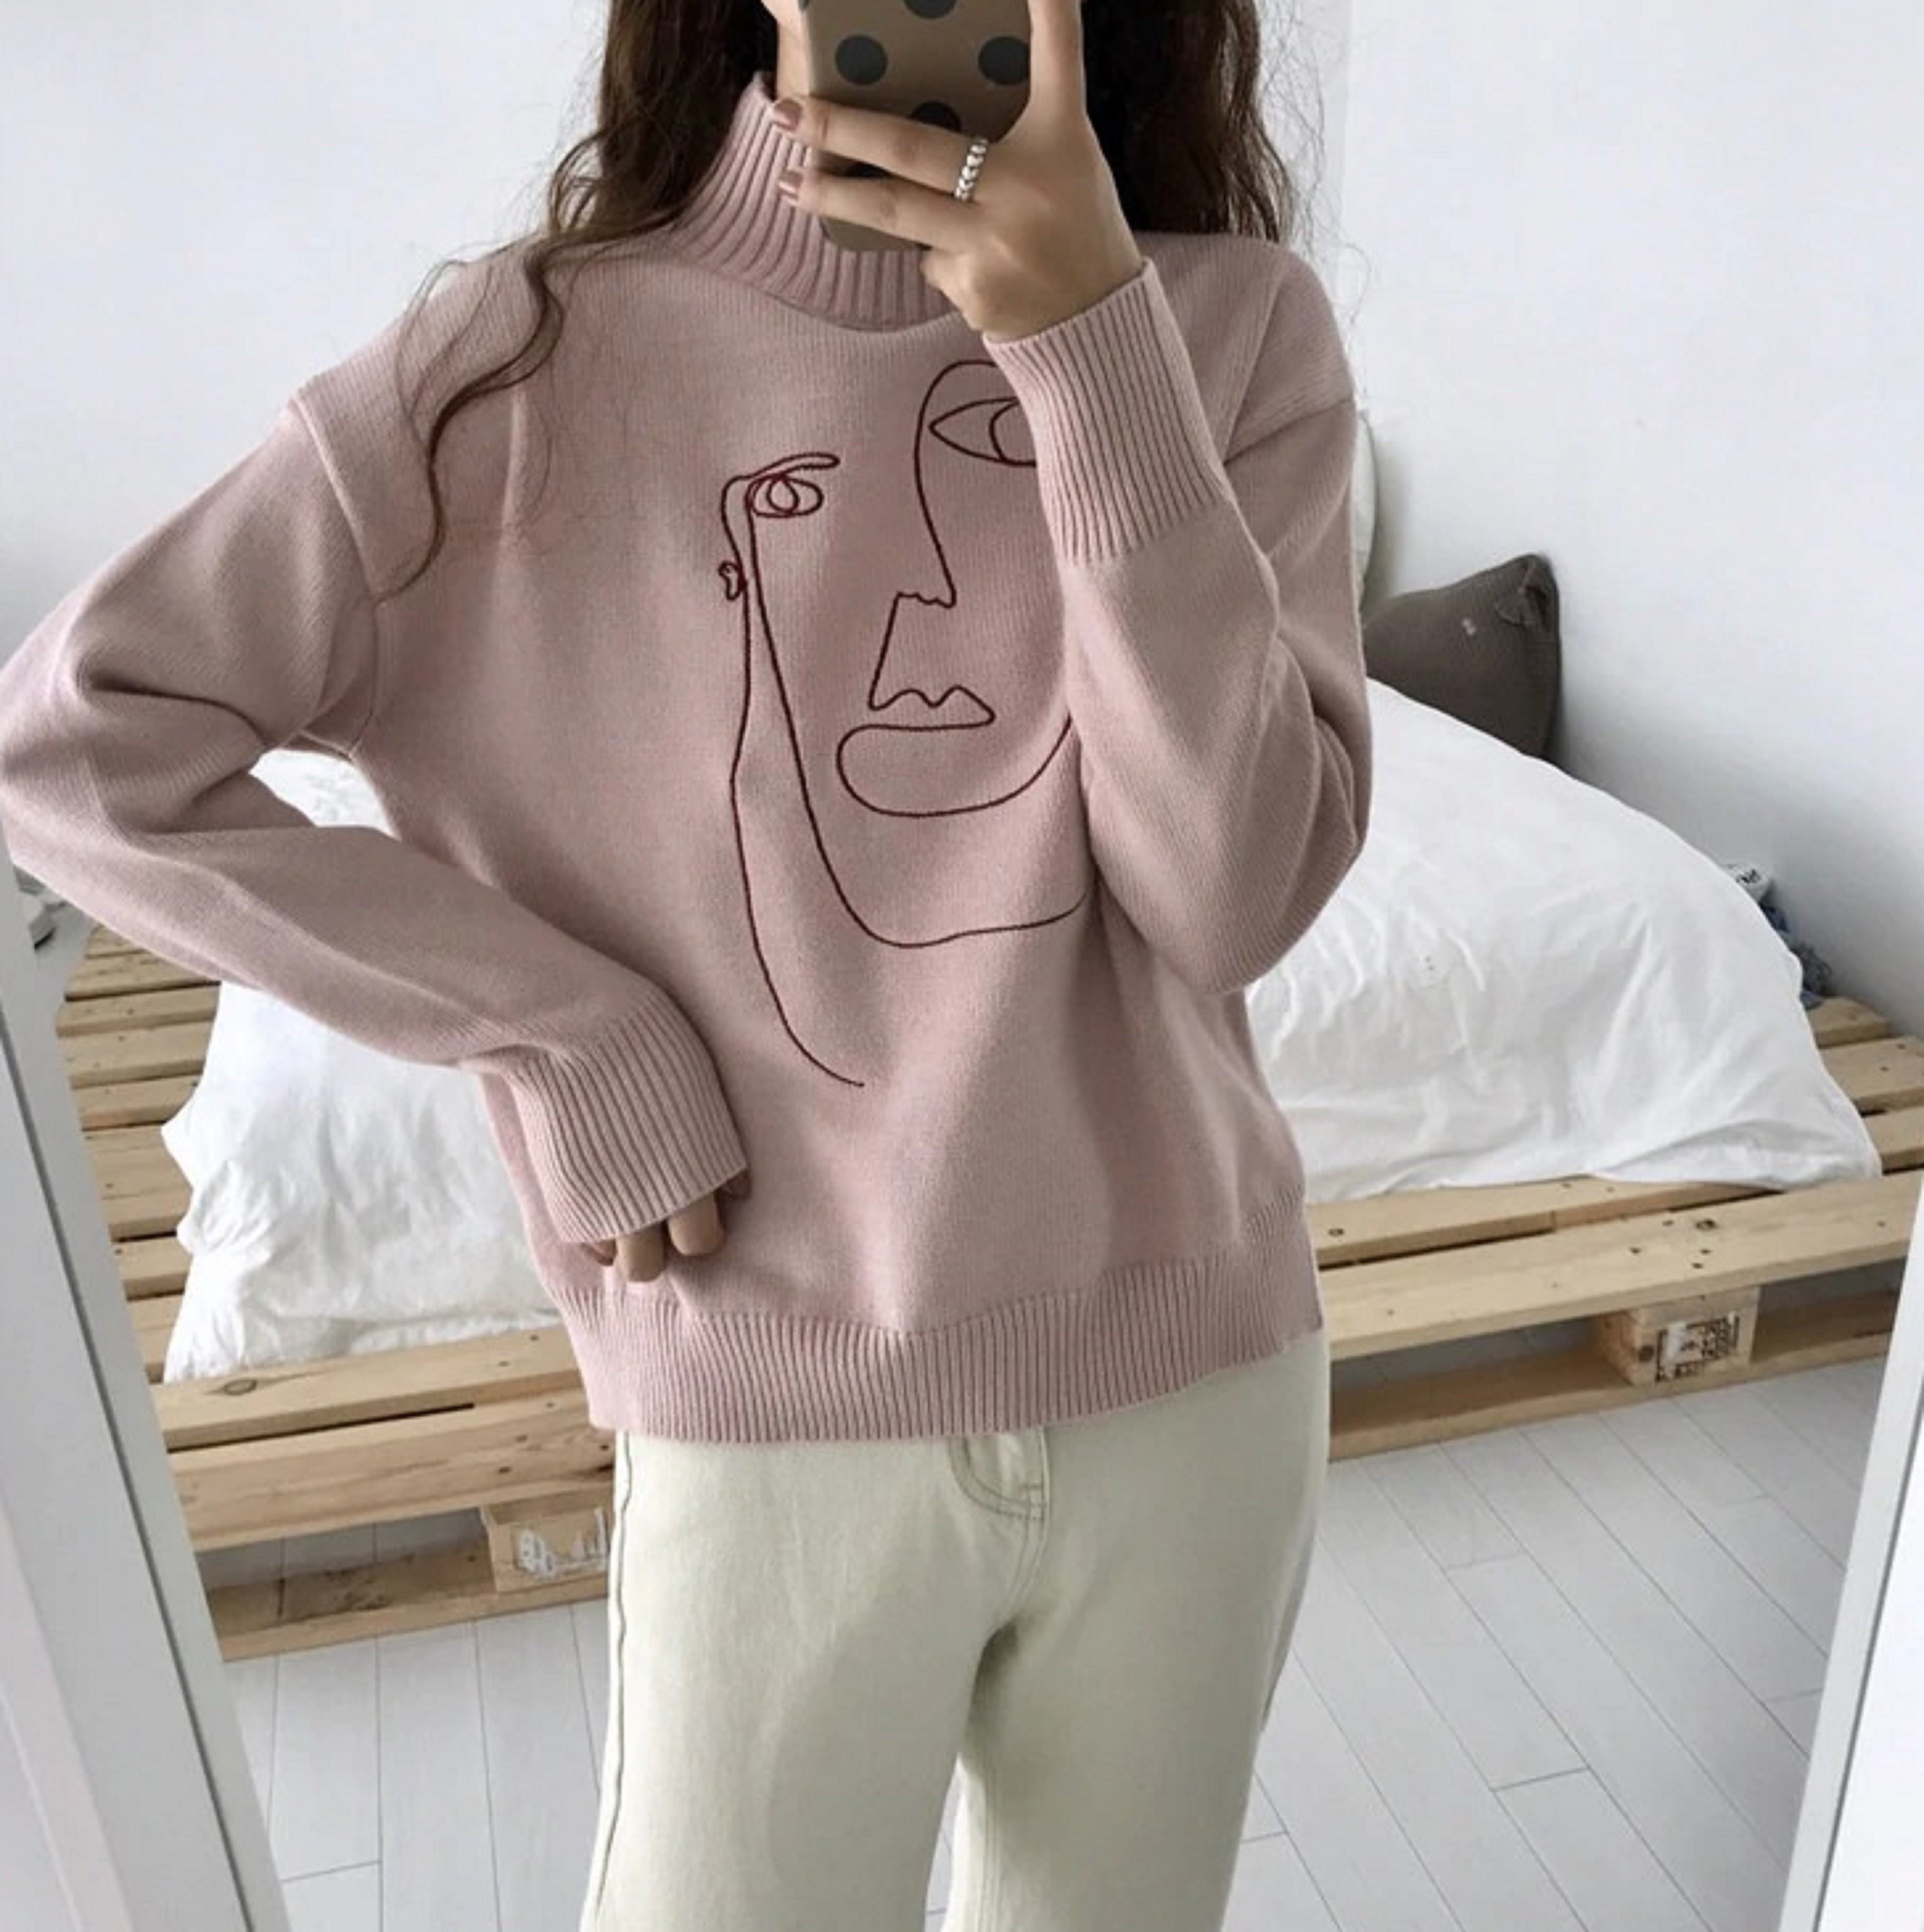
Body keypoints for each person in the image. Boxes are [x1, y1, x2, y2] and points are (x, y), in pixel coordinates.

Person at [0, 0, 1370, 1924]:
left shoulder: (1232, 333)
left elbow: (1233, 894)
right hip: (768, 1407)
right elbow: (75, 752)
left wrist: (1086, 344)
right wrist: (568, 1036)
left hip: (1198, 1389)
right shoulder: (514, 366)